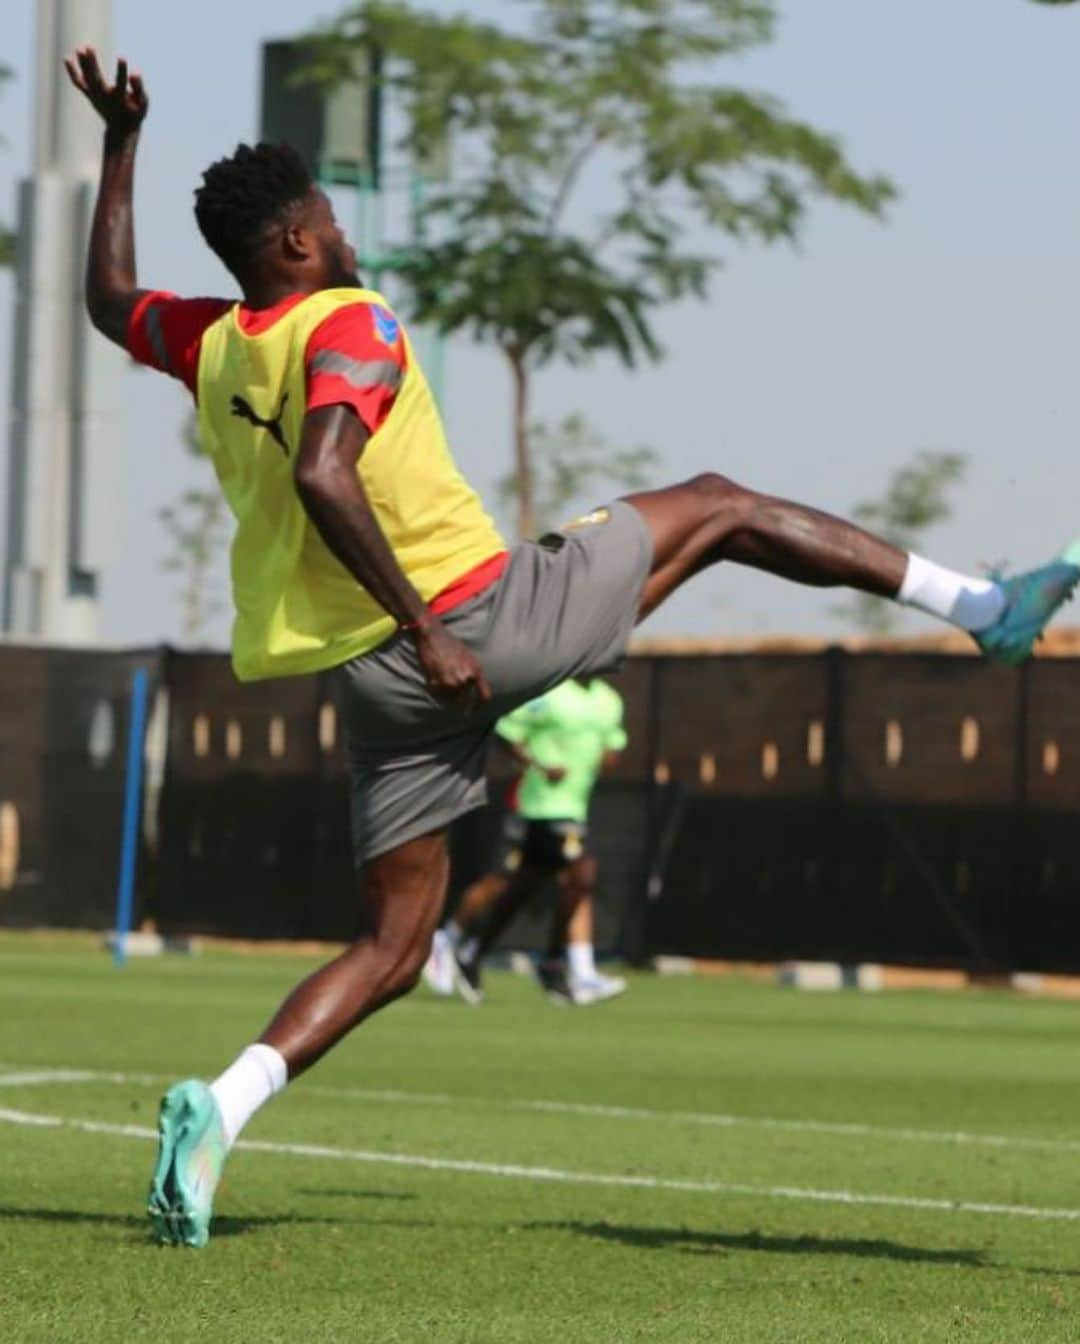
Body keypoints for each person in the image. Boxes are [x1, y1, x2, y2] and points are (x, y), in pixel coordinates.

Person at [66, 48, 1079, 1249]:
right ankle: (983, 610)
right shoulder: (352, 325)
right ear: (293, 244)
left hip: (370, 684)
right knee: (721, 503)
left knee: (395, 949)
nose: (344, 238)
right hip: (472, 622)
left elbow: (106, 298)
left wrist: (121, 146)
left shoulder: (221, 343)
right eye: (328, 224)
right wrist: (432, 628)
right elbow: (323, 469)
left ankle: (217, 1109)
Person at [425, 677, 629, 1006]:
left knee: (530, 885)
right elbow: (508, 734)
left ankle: (477, 952)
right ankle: (448, 938)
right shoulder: (549, 692)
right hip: (536, 805)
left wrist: (604, 754)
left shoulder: (608, 700)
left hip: (574, 807)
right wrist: (539, 765)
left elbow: (613, 749)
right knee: (543, 878)